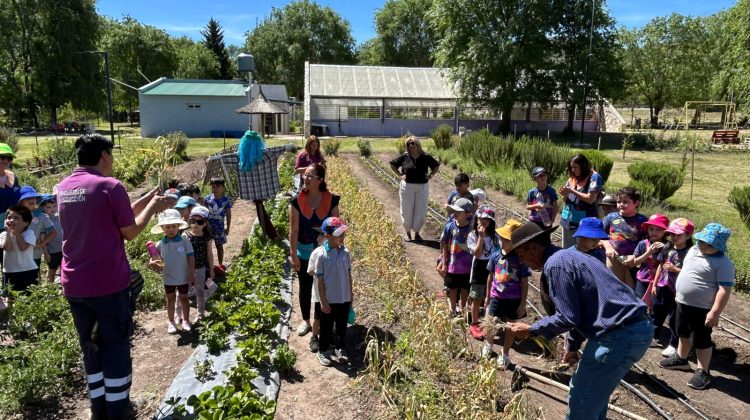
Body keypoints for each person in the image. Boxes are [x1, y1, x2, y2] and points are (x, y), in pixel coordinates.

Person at [59, 134, 171, 419]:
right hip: (107, 284)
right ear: (105, 156)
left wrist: (146, 199)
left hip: (75, 284)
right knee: (115, 347)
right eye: (112, 155)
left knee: (91, 347)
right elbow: (131, 231)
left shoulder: (64, 187)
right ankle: (119, 409)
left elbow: (112, 216)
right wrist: (153, 208)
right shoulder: (110, 185)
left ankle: (99, 409)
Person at [508, 222, 651, 420]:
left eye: (521, 255)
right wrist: (573, 345)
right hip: (632, 329)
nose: (522, 262)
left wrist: (532, 329)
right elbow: (581, 308)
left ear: (533, 247)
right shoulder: (569, 256)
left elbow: (568, 317)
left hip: (619, 334)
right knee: (592, 398)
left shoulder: (556, 265)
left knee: (582, 402)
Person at [659, 223, 734, 390]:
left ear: (717, 246)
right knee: (682, 332)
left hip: (702, 308)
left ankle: (703, 371)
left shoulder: (723, 264)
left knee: (701, 339)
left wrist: (715, 312)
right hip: (682, 302)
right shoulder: (693, 250)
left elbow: (724, 290)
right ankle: (681, 358)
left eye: (708, 244)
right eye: (701, 241)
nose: (703, 245)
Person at [289, 163, 340, 343]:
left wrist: (337, 251)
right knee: (304, 285)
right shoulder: (296, 201)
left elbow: (337, 227)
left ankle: (319, 321)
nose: (305, 178)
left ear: (320, 180)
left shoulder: (331, 200)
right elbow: (293, 229)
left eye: (310, 176)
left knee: (322, 287)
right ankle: (306, 321)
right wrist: (293, 254)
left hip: (324, 253)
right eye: (305, 175)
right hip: (304, 251)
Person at [483, 219, 529, 368]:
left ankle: (505, 354)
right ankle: (488, 345)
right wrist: (487, 296)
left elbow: (524, 282)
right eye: (502, 238)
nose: (502, 241)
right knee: (491, 322)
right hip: (496, 297)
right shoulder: (496, 256)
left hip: (513, 299)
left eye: (506, 239)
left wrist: (522, 303)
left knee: (510, 326)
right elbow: (490, 277)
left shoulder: (520, 260)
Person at [651, 218, 694, 358]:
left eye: (679, 235)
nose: (674, 237)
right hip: (663, 286)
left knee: (675, 318)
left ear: (688, 236)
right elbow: (660, 265)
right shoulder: (667, 247)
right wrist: (655, 283)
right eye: (672, 234)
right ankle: (654, 336)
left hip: (678, 290)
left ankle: (673, 344)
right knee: (657, 311)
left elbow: (692, 273)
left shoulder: (691, 253)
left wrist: (675, 269)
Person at [315, 217, 353, 367]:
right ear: (327, 236)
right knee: (326, 326)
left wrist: (350, 295)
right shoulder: (322, 255)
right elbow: (319, 280)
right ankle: (323, 350)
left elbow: (348, 275)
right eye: (338, 234)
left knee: (342, 325)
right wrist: (323, 300)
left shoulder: (345, 253)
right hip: (329, 300)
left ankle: (340, 348)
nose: (342, 237)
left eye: (343, 234)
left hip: (343, 298)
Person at [149, 209, 195, 334]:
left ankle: (186, 320)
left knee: (184, 297)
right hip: (168, 277)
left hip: (182, 276)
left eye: (173, 226)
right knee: (170, 298)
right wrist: (152, 262)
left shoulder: (184, 241)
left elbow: (191, 256)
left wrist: (191, 273)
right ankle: (171, 322)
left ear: (178, 226)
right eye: (167, 227)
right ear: (162, 228)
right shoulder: (160, 244)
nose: (171, 229)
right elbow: (155, 259)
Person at [389, 136, 440, 241]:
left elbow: (435, 166)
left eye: (413, 143)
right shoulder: (405, 157)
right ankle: (408, 233)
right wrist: (400, 175)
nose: (411, 145)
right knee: (406, 210)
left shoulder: (425, 157)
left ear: (418, 144)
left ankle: (417, 233)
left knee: (421, 211)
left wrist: (430, 176)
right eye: (408, 144)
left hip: (422, 187)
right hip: (407, 187)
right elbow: (393, 165)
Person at [601, 187, 647, 288]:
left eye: (625, 201)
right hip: (614, 257)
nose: (621, 204)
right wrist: (608, 247)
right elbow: (601, 234)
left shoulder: (642, 220)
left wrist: (638, 257)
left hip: (633, 260)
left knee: (630, 287)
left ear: (636, 203)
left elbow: (646, 241)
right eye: (619, 201)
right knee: (613, 285)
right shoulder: (611, 217)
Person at [467, 206, 500, 340]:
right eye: (481, 218)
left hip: (492, 268)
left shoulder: (496, 236)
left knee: (490, 297)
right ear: (477, 219)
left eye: (487, 219)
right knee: (477, 297)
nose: (484, 221)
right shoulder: (472, 235)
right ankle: (474, 323)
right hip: (479, 268)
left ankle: (487, 323)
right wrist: (480, 237)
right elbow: (477, 254)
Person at [559, 154, 604, 248]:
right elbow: (565, 200)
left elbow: (590, 199)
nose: (573, 170)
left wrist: (571, 191)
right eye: (571, 167)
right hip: (568, 220)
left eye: (575, 167)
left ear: (583, 166)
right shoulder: (573, 178)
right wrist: (565, 193)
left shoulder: (594, 177)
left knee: (582, 250)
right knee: (567, 250)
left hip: (584, 223)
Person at [438, 198, 474, 317]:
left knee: (465, 289)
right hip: (453, 265)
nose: (454, 213)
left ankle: (463, 309)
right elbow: (444, 244)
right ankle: (453, 309)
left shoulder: (472, 229)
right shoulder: (450, 226)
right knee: (452, 288)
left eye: (458, 212)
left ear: (467, 214)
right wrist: (444, 263)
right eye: (454, 211)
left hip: (467, 267)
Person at [18, 186, 56, 280]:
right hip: (18, 253)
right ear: (21, 202)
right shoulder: (15, 215)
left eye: (33, 198)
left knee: (34, 279)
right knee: (21, 279)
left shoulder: (40, 215)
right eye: (27, 198)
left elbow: (53, 232)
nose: (32, 200)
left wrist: (41, 244)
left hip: (35, 254)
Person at [185, 205, 215, 322]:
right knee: (182, 292)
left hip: (201, 268)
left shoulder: (206, 237)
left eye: (200, 222)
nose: (196, 224)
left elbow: (209, 254)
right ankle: (179, 314)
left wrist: (211, 269)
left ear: (205, 223)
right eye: (193, 221)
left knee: (200, 291)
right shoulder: (186, 236)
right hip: (187, 269)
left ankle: (200, 313)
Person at [630, 214, 669, 299]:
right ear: (647, 230)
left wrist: (665, 249)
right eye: (651, 229)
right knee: (640, 303)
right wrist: (649, 252)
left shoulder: (668, 246)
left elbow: (667, 264)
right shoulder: (643, 244)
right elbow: (635, 262)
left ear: (665, 232)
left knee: (655, 306)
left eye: (658, 230)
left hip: (660, 282)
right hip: (643, 279)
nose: (654, 232)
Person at [1, 205, 37, 293]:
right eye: (9, 218)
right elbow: (7, 248)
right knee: (9, 298)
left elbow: (23, 248)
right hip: (9, 271)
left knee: (29, 297)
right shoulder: (3, 235)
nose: (11, 220)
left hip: (28, 271)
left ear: (26, 223)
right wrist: (8, 233)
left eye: (16, 218)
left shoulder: (29, 233)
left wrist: (17, 233)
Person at [205, 177, 232, 271]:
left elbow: (228, 214)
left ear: (223, 188)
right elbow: (204, 213)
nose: (214, 189)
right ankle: (208, 266)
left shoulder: (225, 200)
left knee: (219, 246)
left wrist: (227, 227)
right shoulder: (207, 199)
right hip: (207, 228)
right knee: (207, 247)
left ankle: (220, 264)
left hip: (219, 228)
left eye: (217, 187)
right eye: (213, 187)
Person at [306, 230, 326, 353]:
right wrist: (321, 274)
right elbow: (310, 270)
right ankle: (314, 337)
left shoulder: (335, 252)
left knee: (330, 315)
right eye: (323, 238)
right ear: (319, 241)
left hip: (332, 292)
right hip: (320, 292)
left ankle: (327, 336)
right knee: (318, 316)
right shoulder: (316, 253)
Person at [40, 194, 63, 283]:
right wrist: (46, 253)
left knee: (63, 270)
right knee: (52, 271)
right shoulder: (44, 220)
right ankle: (49, 290)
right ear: (42, 208)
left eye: (54, 206)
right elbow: (42, 239)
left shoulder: (60, 217)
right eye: (48, 207)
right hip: (52, 251)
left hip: (63, 249)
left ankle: (63, 288)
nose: (52, 209)